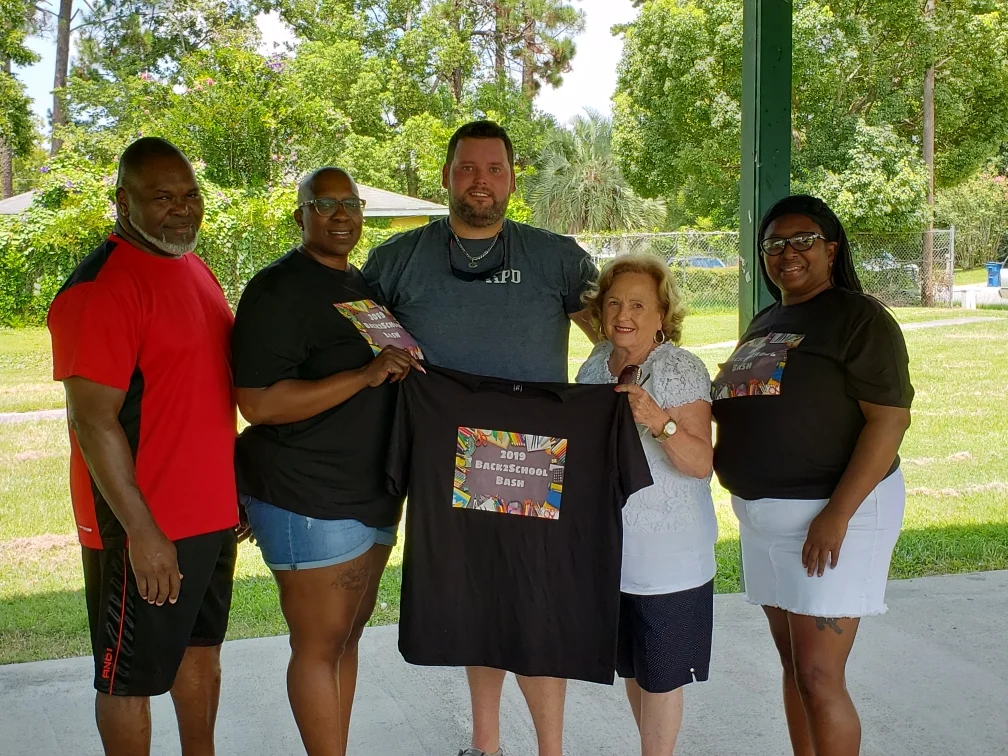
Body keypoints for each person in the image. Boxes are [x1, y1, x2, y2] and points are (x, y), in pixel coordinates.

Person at [363, 120, 599, 756]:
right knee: (475, 603)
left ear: (513, 178)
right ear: (445, 175)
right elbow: (362, 351)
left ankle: (551, 749)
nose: (481, 182)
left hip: (536, 464)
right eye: (467, 168)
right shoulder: (395, 260)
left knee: (539, 607)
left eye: (495, 169)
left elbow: (612, 338)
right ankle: (486, 746)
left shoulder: (559, 258)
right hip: (446, 465)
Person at [46, 137, 239, 756]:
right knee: (128, 677)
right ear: (122, 202)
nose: (181, 208)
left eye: (189, 194)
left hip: (208, 517)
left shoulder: (194, 268)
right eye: (161, 196)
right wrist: (143, 533)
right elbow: (92, 421)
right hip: (144, 526)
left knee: (201, 655)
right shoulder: (102, 287)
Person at [711, 195, 914, 756]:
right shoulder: (766, 319)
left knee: (821, 675)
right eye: (773, 244)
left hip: (833, 516)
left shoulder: (859, 318)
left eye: (802, 240)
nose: (787, 253)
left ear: (831, 248)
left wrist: (837, 515)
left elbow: (889, 421)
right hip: (764, 518)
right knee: (797, 666)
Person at [231, 167, 422, 756]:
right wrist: (362, 375)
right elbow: (258, 403)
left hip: (371, 492)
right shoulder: (277, 290)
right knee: (319, 643)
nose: (341, 214)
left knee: (346, 638)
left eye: (351, 204)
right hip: (306, 495)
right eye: (325, 204)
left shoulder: (362, 288)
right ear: (301, 216)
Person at [576, 254, 716, 756]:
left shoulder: (680, 368)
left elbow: (701, 462)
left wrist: (658, 420)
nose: (623, 314)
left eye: (638, 304)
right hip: (613, 550)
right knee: (634, 667)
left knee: (662, 674)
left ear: (662, 315)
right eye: (613, 302)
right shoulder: (594, 365)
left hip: (670, 556)